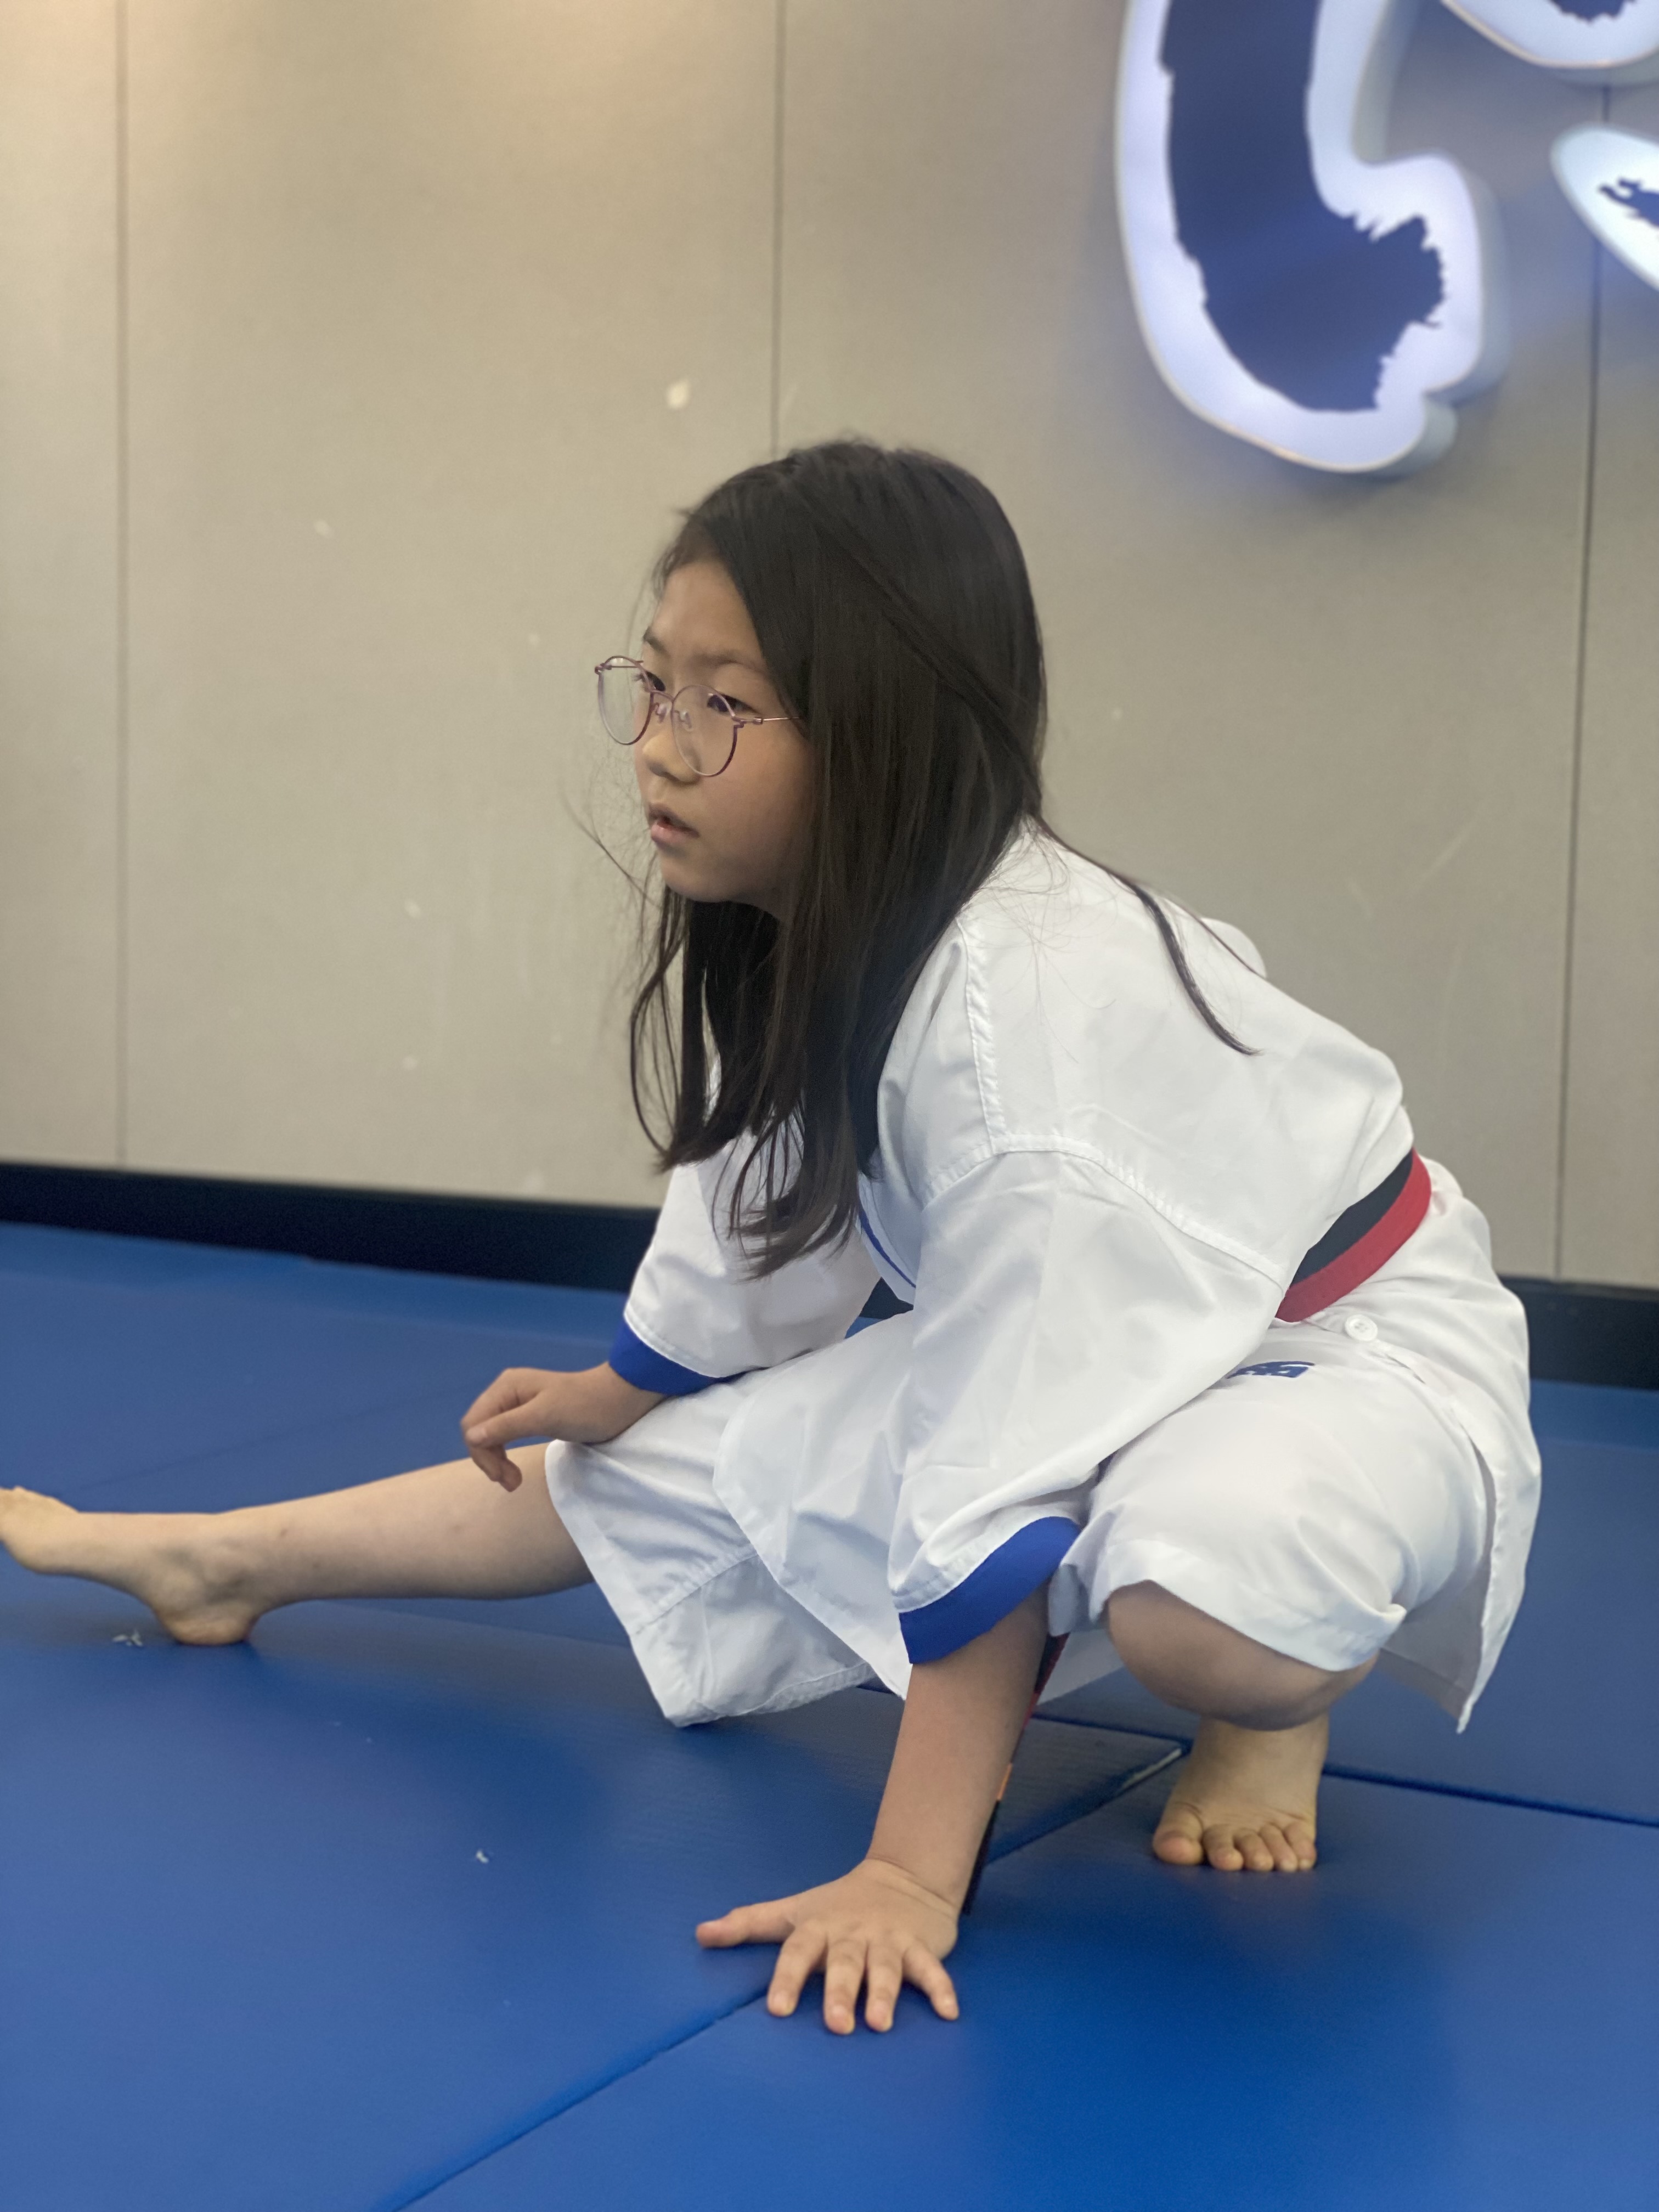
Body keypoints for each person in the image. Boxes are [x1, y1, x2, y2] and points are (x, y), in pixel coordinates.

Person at [0, 440, 1538, 2038]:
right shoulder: (863, 928)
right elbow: (767, 1204)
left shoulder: (1022, 1038)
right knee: (681, 1469)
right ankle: (223, 1563)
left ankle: (1282, 1708)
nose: (660, 749)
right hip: (1114, 1327)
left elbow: (996, 1480)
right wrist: (626, 1387)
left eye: (724, 704)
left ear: (883, 725)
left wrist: (910, 1875)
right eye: (654, 685)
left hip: (1335, 1359)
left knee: (1199, 1598)